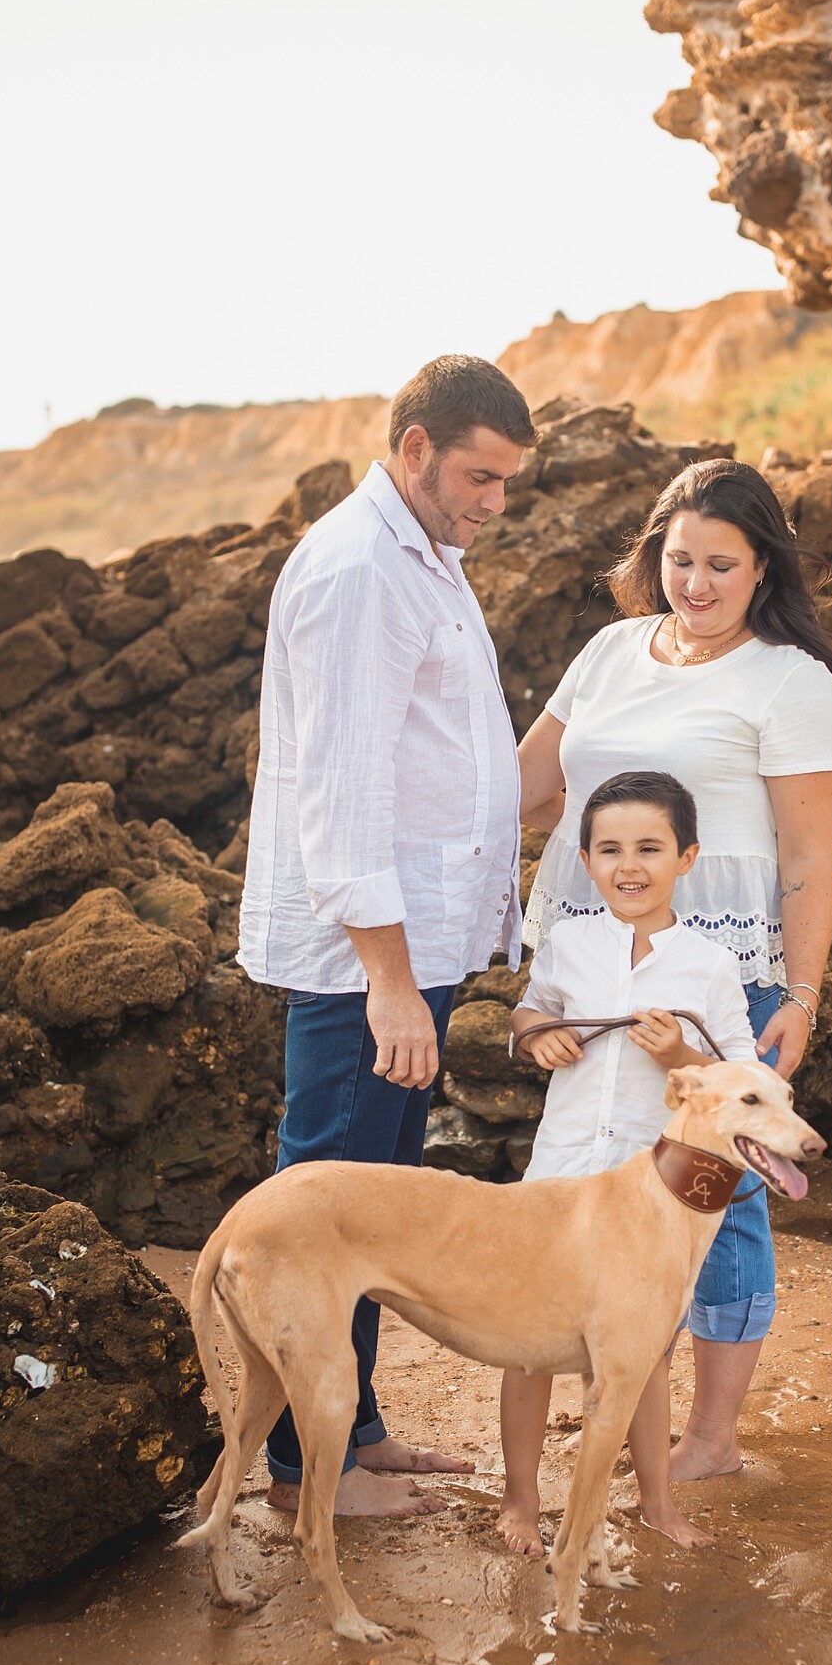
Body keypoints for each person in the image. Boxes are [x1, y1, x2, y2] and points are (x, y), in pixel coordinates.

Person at [515, 459, 832, 1482]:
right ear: (650, 555)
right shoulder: (610, 650)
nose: (696, 584)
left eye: (721, 564)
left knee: (721, 1191)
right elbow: (528, 789)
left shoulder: (791, 681)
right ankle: (628, 1401)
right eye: (679, 560)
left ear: (763, 571)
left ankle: (709, 1435)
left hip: (720, 975)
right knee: (609, 1184)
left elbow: (807, 858)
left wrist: (800, 993)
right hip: (593, 964)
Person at [238, 354, 536, 1518]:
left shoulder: (427, 559)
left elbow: (441, 759)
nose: (494, 502)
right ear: (415, 447)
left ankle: (353, 1434)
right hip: (362, 968)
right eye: (479, 475)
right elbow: (343, 794)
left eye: (508, 482)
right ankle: (297, 1472)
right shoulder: (361, 567)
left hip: (413, 953)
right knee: (323, 1219)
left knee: (375, 1209)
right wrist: (390, 983)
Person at [498, 770, 759, 1557]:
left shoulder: (709, 965)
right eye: (609, 849)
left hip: (655, 1192)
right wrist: (533, 1034)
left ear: (687, 858)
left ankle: (656, 1503)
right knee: (528, 1345)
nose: (628, 865)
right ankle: (518, 1502)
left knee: (642, 1355)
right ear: (584, 860)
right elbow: (529, 1009)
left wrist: (681, 1053)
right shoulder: (571, 944)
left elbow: (743, 1077)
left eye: (649, 847)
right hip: (562, 1180)